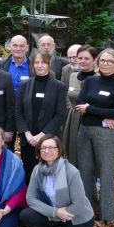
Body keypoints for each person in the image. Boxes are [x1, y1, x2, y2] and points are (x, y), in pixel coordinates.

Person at [20, 136, 95, 227]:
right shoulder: (37, 170)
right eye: (43, 148)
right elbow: (31, 198)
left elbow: (80, 204)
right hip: (57, 215)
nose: (47, 151)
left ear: (59, 150)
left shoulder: (71, 172)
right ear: (39, 151)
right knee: (26, 215)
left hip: (77, 219)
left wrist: (60, 213)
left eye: (51, 147)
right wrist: (55, 212)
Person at [75, 49, 114, 223]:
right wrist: (106, 115)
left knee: (105, 173)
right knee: (85, 172)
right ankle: (89, 210)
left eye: (109, 61)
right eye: (103, 60)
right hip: (85, 131)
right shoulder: (90, 81)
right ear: (98, 63)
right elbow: (79, 103)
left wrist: (90, 109)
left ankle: (107, 215)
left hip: (106, 134)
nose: (105, 64)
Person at [16, 50, 69, 182]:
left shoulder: (59, 86)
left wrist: (41, 136)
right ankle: (30, 201)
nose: (40, 65)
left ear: (49, 64)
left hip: (49, 140)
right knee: (29, 173)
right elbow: (18, 111)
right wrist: (27, 134)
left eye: (43, 62)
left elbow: (60, 114)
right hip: (28, 141)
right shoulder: (25, 85)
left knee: (50, 176)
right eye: (36, 62)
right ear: (32, 65)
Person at [60, 45, 96, 165]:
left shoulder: (98, 78)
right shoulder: (72, 76)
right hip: (72, 119)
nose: (82, 61)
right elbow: (67, 95)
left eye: (86, 58)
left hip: (90, 119)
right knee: (70, 152)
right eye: (80, 58)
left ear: (94, 60)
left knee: (86, 155)